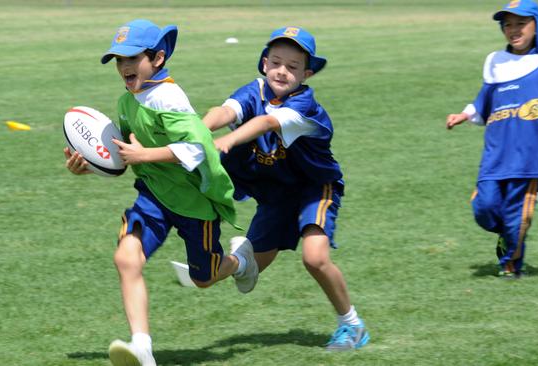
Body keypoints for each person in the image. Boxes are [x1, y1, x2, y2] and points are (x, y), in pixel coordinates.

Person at [63, 19, 258, 366]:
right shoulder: (126, 102)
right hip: (153, 197)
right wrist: (88, 166)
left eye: (131, 58)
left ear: (157, 58)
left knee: (204, 277)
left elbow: (199, 148)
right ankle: (142, 348)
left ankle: (241, 262)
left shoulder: (169, 97)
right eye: (118, 60)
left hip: (195, 202)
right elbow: (122, 158)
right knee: (126, 258)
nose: (123, 66)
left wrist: (146, 155)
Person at [203, 26, 369, 350]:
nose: (282, 70)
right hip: (276, 197)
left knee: (314, 258)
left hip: (314, 189)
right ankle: (222, 268)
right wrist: (198, 130)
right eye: (276, 62)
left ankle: (352, 325)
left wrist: (227, 140)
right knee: (238, 269)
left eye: (293, 67)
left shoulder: (304, 105)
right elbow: (225, 111)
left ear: (306, 74)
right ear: (264, 63)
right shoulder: (252, 91)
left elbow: (267, 122)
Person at [446, 0, 538, 278]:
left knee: (518, 216)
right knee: (484, 208)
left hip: (530, 156)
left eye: (521, 23)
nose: (514, 29)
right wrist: (465, 114)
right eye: (507, 24)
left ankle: (511, 265)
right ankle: (503, 234)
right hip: (496, 152)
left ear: (537, 26)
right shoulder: (495, 61)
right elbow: (484, 100)